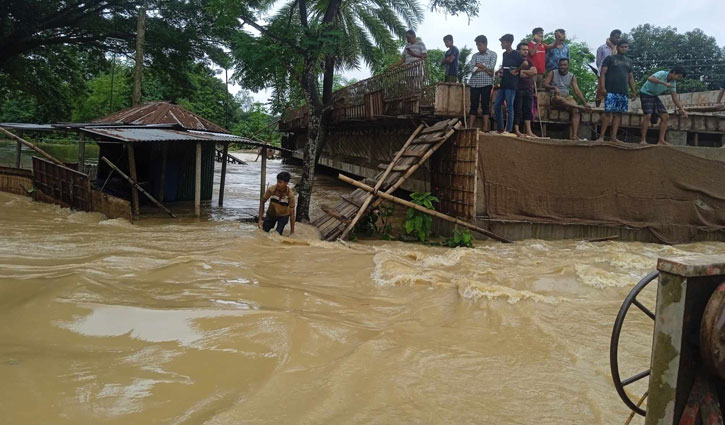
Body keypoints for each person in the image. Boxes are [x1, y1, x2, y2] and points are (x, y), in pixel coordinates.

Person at [597, 39, 636, 143]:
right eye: (622, 46)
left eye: (626, 47)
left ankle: (613, 137)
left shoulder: (629, 61)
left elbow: (630, 77)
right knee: (607, 113)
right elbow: (603, 73)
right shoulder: (610, 59)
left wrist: (633, 91)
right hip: (610, 90)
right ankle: (601, 137)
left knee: (618, 114)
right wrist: (602, 87)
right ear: (618, 47)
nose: (624, 48)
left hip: (623, 91)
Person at [543, 58, 592, 140]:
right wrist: (554, 87)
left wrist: (585, 103)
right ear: (558, 65)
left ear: (568, 65)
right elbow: (545, 84)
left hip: (567, 96)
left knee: (575, 111)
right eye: (561, 65)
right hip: (556, 96)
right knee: (560, 99)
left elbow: (577, 90)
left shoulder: (572, 76)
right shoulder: (553, 73)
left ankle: (574, 135)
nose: (562, 67)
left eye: (564, 65)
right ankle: (579, 107)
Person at [639, 66, 689, 145]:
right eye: (678, 76)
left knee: (665, 117)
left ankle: (661, 140)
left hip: (654, 96)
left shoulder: (673, 82)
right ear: (674, 72)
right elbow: (650, 78)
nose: (678, 78)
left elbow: (674, 97)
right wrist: (664, 83)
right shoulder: (662, 73)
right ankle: (643, 139)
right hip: (646, 93)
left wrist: (682, 109)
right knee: (648, 115)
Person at [494, 34, 526, 134]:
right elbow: (504, 67)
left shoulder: (516, 54)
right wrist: (499, 71)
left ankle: (508, 130)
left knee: (509, 107)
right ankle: (500, 128)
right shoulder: (504, 54)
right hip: (503, 83)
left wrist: (517, 70)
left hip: (512, 84)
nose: (501, 44)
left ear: (508, 43)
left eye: (502, 42)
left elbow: (525, 63)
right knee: (496, 106)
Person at [467, 35, 497, 131]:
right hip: (474, 83)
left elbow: (491, 67)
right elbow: (471, 69)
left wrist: (479, 66)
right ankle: (470, 128)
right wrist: (485, 69)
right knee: (473, 105)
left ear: (485, 44)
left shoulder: (493, 54)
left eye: (479, 45)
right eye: (477, 45)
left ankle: (485, 129)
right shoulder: (474, 55)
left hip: (486, 83)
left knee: (485, 105)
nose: (478, 47)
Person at [514, 42, 538, 138]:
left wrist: (523, 71)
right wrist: (526, 72)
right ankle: (517, 130)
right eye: (524, 49)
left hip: (528, 89)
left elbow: (534, 72)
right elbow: (518, 74)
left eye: (527, 50)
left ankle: (529, 131)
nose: (526, 51)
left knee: (528, 110)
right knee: (518, 110)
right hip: (518, 89)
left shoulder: (529, 62)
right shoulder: (515, 62)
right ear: (518, 51)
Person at [596, 30, 622, 106]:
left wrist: (613, 47)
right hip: (602, 72)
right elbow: (598, 62)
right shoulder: (602, 48)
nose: (618, 39)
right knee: (600, 90)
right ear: (611, 37)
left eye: (619, 38)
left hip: (614, 73)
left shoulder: (619, 49)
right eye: (616, 37)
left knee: (611, 91)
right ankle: (597, 107)